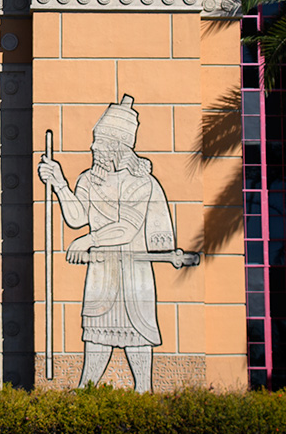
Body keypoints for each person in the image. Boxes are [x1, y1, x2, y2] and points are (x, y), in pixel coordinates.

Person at [36, 95, 198, 392]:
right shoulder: (89, 179)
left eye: (101, 143)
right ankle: (85, 391)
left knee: (137, 334)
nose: (94, 148)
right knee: (96, 333)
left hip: (134, 274)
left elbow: (127, 227)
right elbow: (76, 217)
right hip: (101, 273)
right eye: (95, 141)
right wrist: (59, 183)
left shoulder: (142, 182)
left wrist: (89, 240)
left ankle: (144, 391)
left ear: (118, 147)